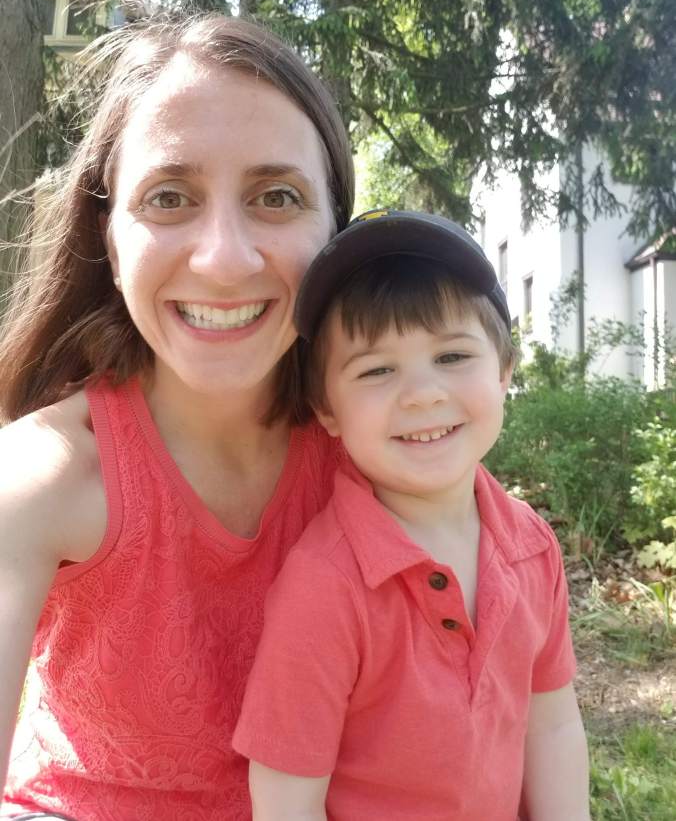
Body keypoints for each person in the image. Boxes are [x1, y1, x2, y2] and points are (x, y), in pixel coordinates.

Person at [0, 12, 354, 821]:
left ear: (336, 230)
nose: (224, 259)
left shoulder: (383, 463)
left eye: (277, 196)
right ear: (109, 238)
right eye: (168, 197)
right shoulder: (39, 477)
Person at [233, 209, 591, 821]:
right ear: (327, 410)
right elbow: (286, 797)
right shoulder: (326, 586)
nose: (423, 394)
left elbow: (551, 724)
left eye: (452, 357)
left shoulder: (531, 545)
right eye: (377, 370)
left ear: (504, 369)